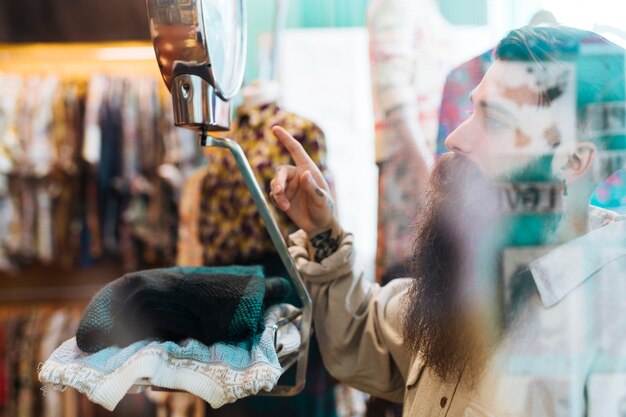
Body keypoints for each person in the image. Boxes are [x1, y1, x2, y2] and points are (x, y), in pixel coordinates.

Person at [269, 25, 626, 416]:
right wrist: (322, 231)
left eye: (498, 121)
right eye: (474, 109)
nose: (455, 138)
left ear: (572, 162)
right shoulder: (482, 264)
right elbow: (365, 329)